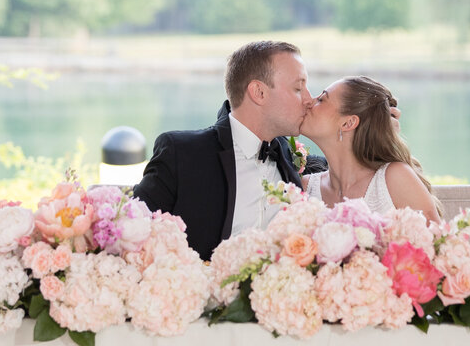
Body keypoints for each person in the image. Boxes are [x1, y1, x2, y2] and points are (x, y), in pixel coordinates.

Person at [131, 40, 316, 260]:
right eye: (298, 88)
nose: (309, 100)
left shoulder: (288, 156)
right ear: (259, 92)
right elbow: (133, 237)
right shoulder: (181, 155)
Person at [300, 75, 441, 222]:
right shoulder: (306, 188)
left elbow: (436, 242)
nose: (310, 101)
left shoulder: (394, 178)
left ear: (348, 123)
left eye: (322, 99)